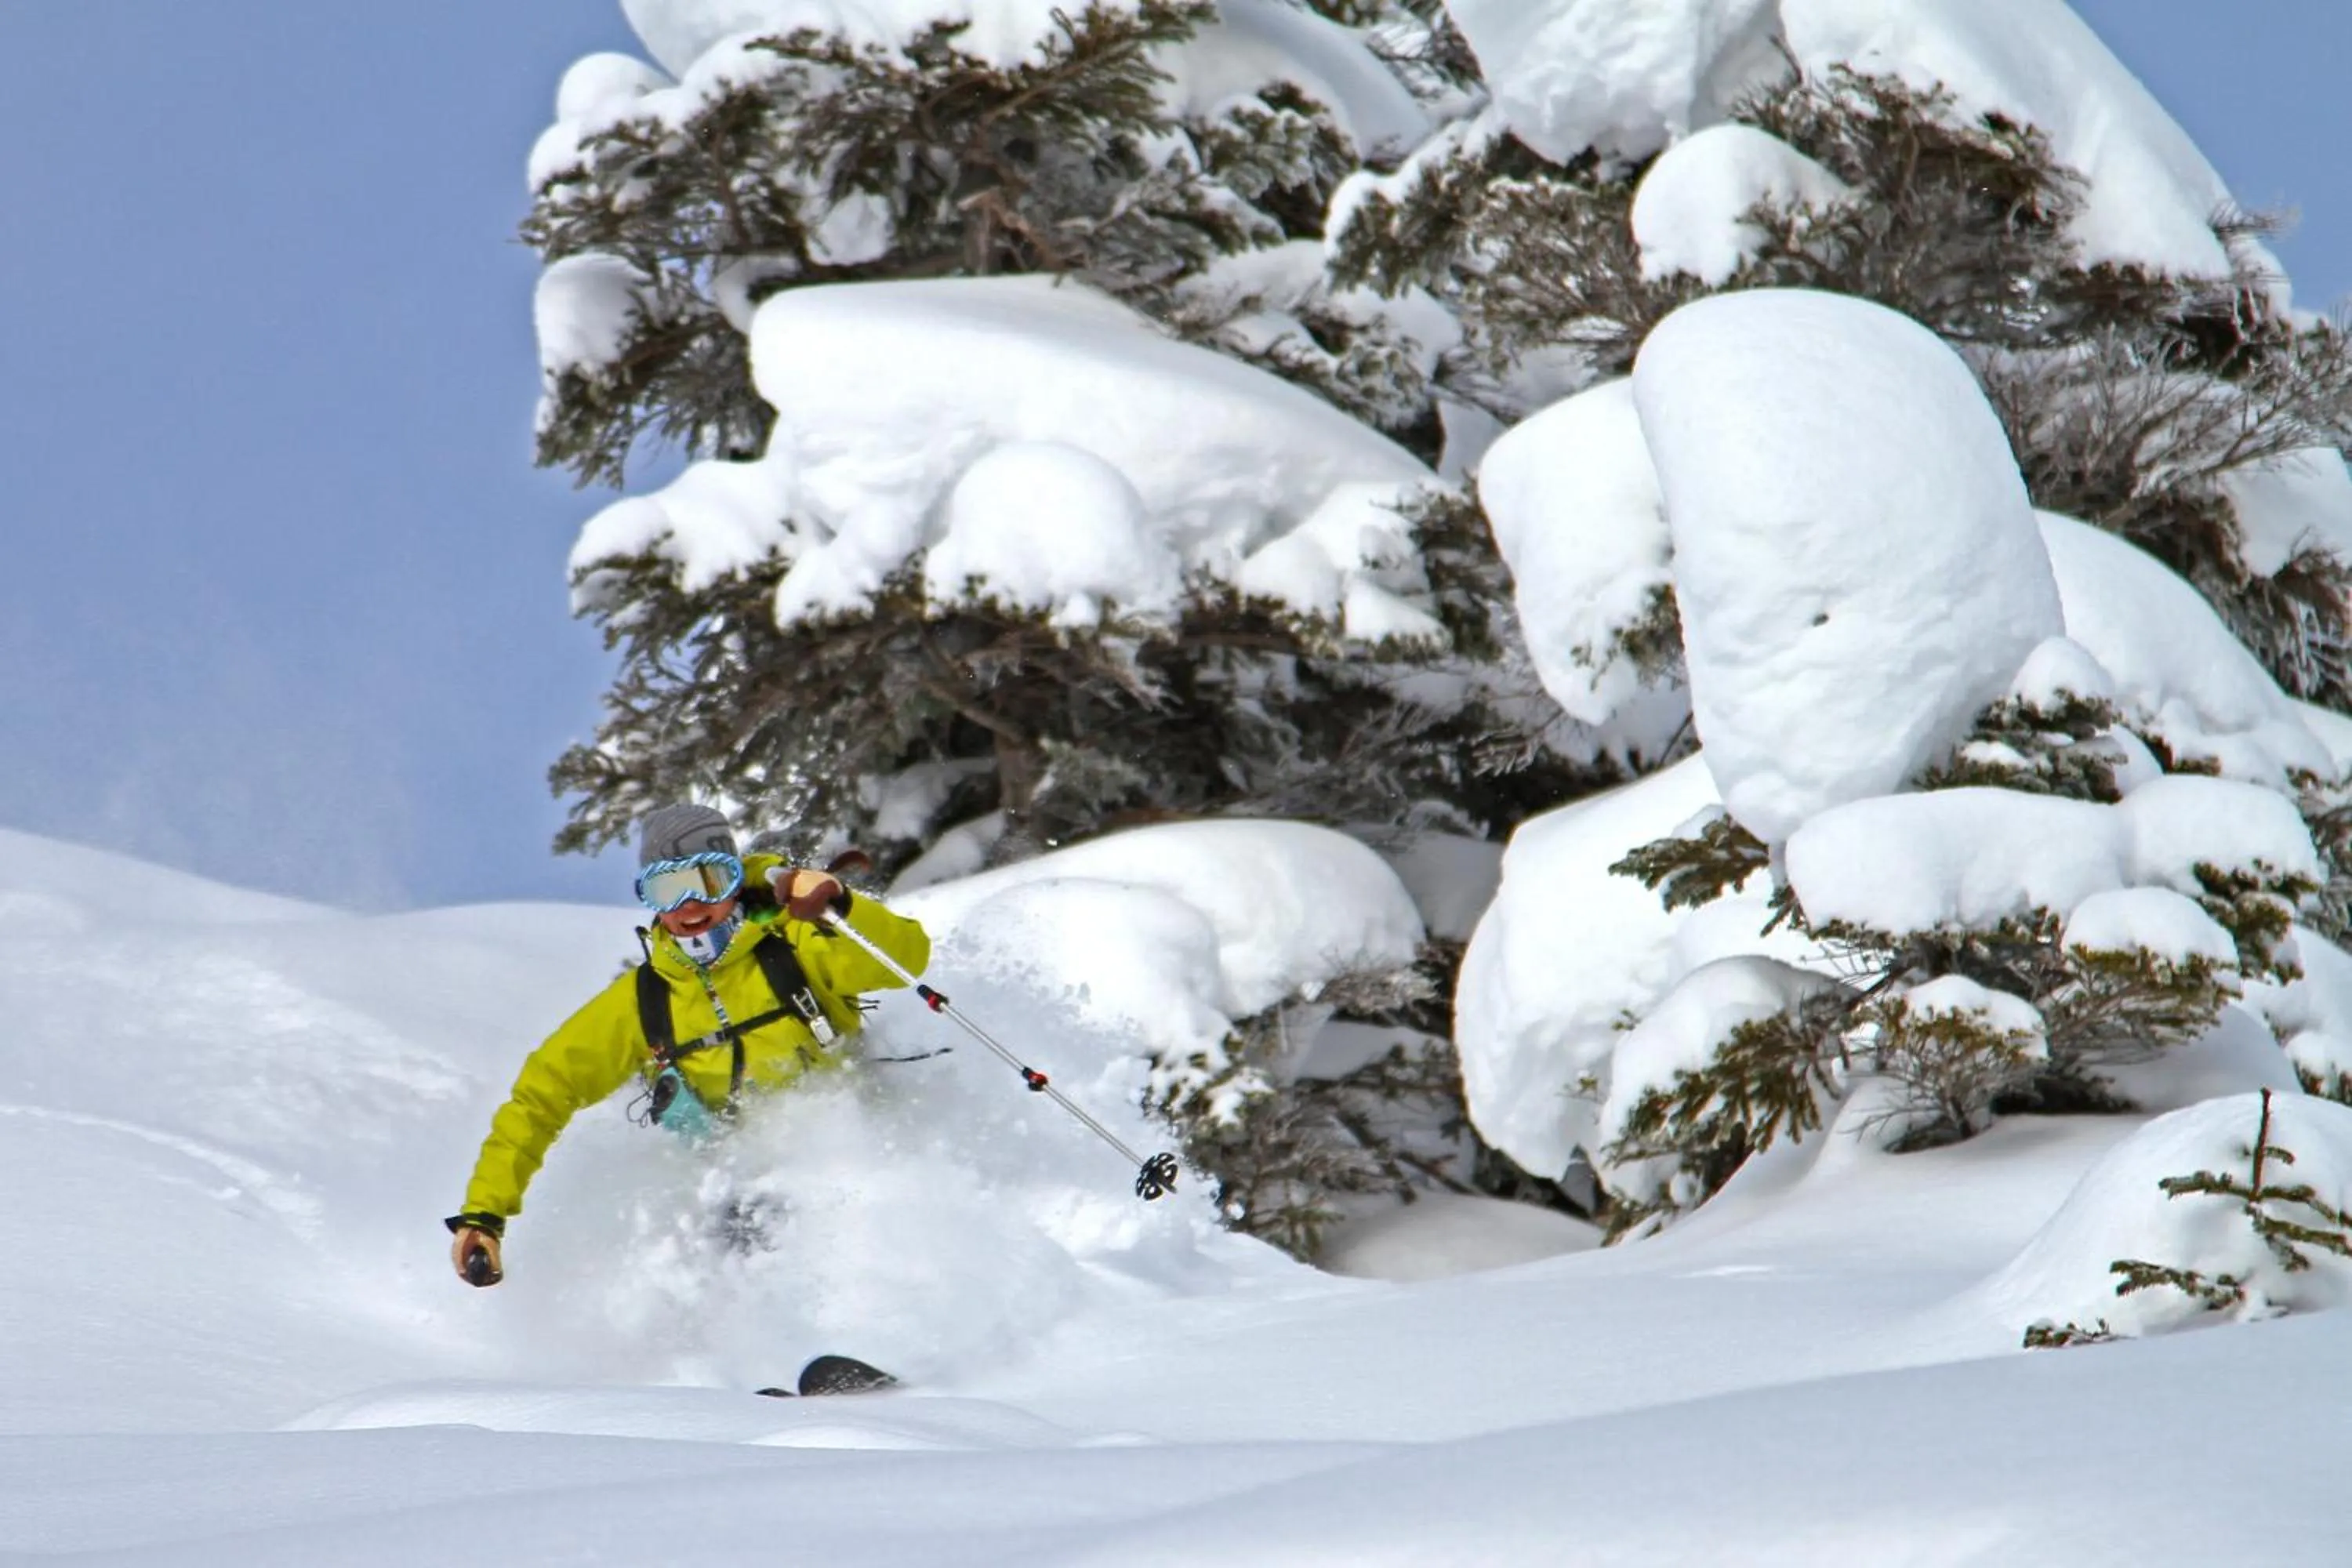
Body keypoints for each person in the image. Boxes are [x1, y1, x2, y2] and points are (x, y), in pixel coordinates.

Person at [445, 803, 931, 1286]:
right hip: (745, 1191)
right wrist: (485, 1214)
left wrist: (839, 905)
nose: (690, 906)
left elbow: (905, 960)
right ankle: (775, 1349)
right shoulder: (643, 1001)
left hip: (861, 1145)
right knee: (738, 1235)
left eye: (709, 882)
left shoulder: (795, 941)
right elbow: (543, 1092)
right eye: (668, 888)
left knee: (856, 1207)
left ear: (736, 880)